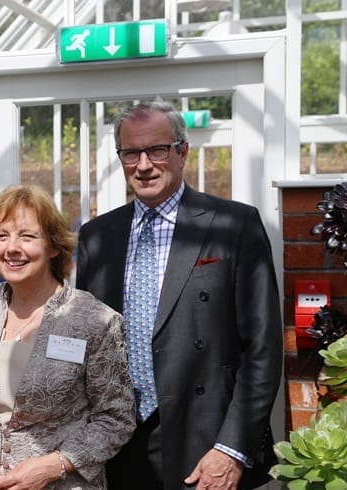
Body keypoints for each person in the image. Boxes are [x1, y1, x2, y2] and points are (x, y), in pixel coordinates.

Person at [75, 101, 283, 490]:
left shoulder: (234, 225)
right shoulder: (98, 236)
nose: (144, 165)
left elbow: (263, 348)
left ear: (182, 151)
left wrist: (232, 448)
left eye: (157, 150)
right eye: (131, 153)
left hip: (208, 443)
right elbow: (85, 343)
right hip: (120, 444)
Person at [0, 184, 136, 490]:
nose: (12, 247)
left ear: (53, 246)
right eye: (2, 235)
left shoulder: (95, 320)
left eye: (27, 236)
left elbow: (116, 418)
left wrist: (54, 465)